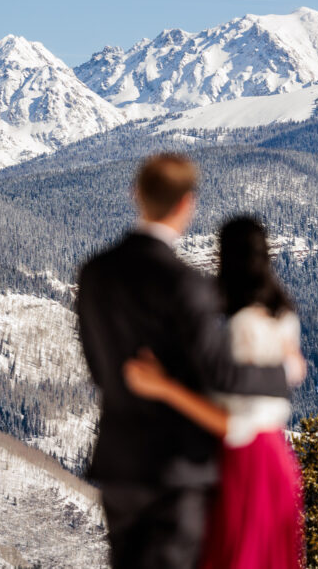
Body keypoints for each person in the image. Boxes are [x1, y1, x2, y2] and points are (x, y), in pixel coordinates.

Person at [76, 153, 303, 569]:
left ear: (136, 195)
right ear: (187, 204)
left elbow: (97, 368)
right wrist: (284, 370)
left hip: (119, 463)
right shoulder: (185, 285)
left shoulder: (94, 273)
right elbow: (221, 372)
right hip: (179, 466)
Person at [123, 216, 306, 569]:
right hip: (277, 457)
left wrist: (165, 388)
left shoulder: (243, 328)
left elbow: (234, 423)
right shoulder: (284, 316)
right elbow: (288, 377)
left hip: (246, 462)